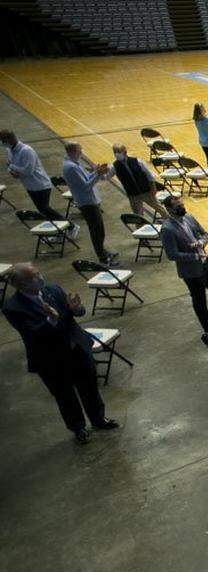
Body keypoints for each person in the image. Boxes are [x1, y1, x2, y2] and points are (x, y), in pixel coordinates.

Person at [2, 262, 119, 445]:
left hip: (75, 348)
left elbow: (75, 313)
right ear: (23, 284)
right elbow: (33, 334)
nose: (40, 277)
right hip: (50, 359)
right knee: (65, 396)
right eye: (34, 276)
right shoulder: (13, 307)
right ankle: (78, 428)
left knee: (89, 388)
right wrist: (51, 319)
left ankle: (98, 419)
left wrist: (76, 309)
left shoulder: (53, 290)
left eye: (38, 272)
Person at [160, 195, 208, 332]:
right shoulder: (167, 229)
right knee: (200, 301)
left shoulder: (189, 218)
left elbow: (204, 234)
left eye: (182, 205)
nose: (182, 208)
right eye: (178, 207)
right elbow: (172, 255)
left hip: (205, 263)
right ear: (169, 210)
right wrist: (195, 255)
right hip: (191, 271)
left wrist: (201, 242)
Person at [61, 142, 117, 266]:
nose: (81, 152)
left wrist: (96, 171)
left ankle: (103, 251)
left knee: (99, 229)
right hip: (87, 202)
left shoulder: (74, 164)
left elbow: (86, 178)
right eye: (79, 150)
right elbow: (86, 186)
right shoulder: (71, 167)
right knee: (96, 231)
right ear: (72, 152)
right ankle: (103, 257)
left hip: (89, 201)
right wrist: (98, 174)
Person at [2, 130, 64, 220]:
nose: (3, 143)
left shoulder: (27, 151)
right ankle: (59, 228)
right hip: (29, 186)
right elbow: (9, 165)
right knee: (43, 211)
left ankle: (69, 225)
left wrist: (13, 167)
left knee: (45, 209)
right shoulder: (9, 150)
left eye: (3, 141)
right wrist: (12, 171)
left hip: (40, 185)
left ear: (11, 138)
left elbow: (28, 171)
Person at [111, 144, 168, 219]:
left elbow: (149, 175)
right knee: (138, 217)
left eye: (118, 151)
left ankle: (171, 223)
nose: (116, 154)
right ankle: (140, 229)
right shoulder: (114, 166)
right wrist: (97, 172)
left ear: (125, 152)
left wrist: (153, 187)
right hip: (133, 196)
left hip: (146, 192)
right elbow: (105, 177)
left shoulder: (137, 161)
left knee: (161, 209)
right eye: (115, 152)